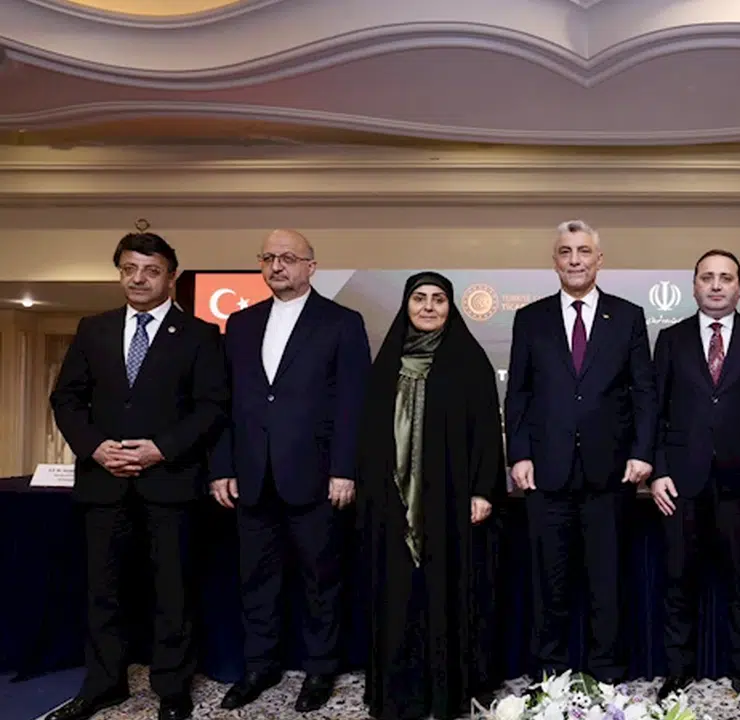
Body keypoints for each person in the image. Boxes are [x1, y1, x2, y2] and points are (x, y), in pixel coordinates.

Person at [49, 233, 227, 720]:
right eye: (129, 269)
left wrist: (160, 449)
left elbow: (212, 406)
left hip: (170, 483)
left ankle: (172, 688)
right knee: (102, 593)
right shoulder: (94, 329)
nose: (138, 279)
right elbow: (66, 398)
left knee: (173, 591)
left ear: (171, 276)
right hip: (104, 483)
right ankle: (105, 684)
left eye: (151, 270)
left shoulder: (200, 335)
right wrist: (95, 446)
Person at [210, 229, 371, 713]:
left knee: (321, 580)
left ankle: (320, 669)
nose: (276, 266)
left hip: (316, 477)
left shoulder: (342, 322)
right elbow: (225, 403)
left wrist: (345, 469)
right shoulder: (240, 323)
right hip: (252, 476)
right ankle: (260, 666)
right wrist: (222, 467)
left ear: (310, 266)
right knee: (256, 580)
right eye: (268, 258)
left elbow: (353, 403)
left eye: (287, 258)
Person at [504, 219, 658, 682]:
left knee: (606, 581)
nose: (575, 260)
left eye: (584, 251)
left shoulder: (628, 317)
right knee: (548, 581)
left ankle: (607, 673)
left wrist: (642, 452)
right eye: (566, 252)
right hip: (546, 473)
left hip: (609, 474)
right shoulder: (530, 318)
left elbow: (643, 392)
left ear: (599, 259)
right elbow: (519, 393)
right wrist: (519, 454)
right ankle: (550, 674)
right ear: (555, 261)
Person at [359, 272, 507, 720]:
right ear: (406, 305)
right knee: (398, 595)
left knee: (448, 591)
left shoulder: (468, 360)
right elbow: (369, 435)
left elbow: (487, 431)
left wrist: (482, 490)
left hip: (450, 503)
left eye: (438, 299)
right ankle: (399, 693)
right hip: (393, 503)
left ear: (450, 307)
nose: (428, 307)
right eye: (419, 298)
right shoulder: (387, 362)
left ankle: (449, 691)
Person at [650, 250, 740, 712]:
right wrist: (658, 471)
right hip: (681, 485)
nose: (717, 285)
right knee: (678, 582)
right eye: (707, 277)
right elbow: (655, 411)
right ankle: (678, 670)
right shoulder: (670, 339)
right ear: (694, 286)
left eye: (726, 278)